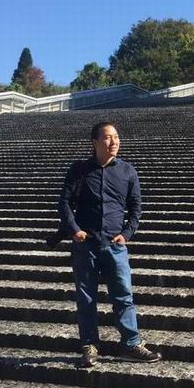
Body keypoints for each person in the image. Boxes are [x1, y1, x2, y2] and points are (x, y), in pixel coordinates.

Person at [59, 121, 161, 368]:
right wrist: (74, 230)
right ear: (95, 143)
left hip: (115, 245)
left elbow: (136, 208)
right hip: (86, 244)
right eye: (107, 137)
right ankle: (89, 346)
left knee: (123, 296)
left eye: (116, 137)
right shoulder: (79, 170)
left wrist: (127, 234)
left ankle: (131, 344)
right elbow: (64, 202)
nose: (114, 141)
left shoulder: (127, 171)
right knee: (86, 299)